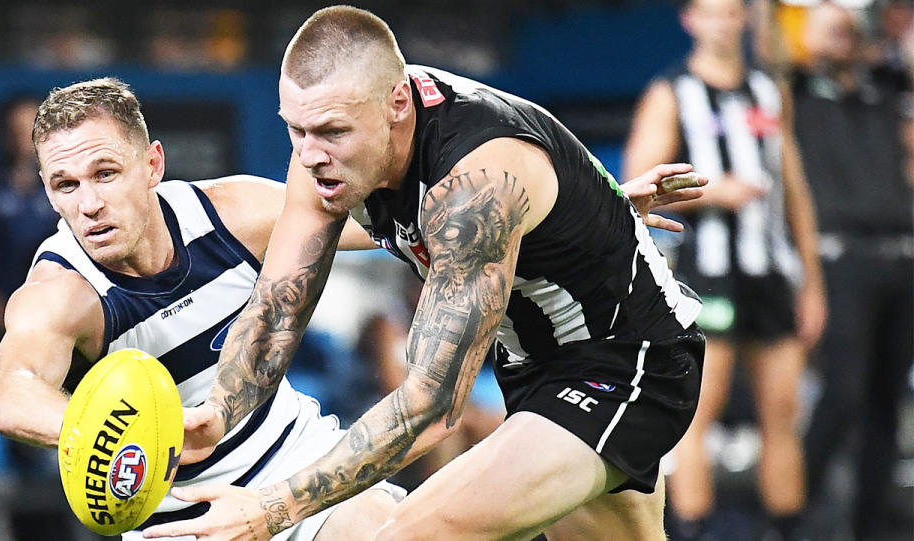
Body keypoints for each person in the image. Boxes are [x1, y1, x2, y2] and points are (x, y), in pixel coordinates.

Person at [145, 6, 709, 541]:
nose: (310, 153)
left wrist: (273, 508)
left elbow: (432, 405)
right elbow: (277, 306)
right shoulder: (330, 144)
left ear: (396, 102)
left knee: (412, 532)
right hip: (533, 360)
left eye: (331, 132)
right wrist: (219, 411)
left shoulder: (475, 177)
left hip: (625, 362)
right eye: (295, 129)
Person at [0, 77, 404, 541]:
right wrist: (106, 429)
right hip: (176, 525)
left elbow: (385, 221)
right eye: (66, 184)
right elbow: (13, 396)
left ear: (152, 164)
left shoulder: (231, 214)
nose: (88, 204)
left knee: (388, 531)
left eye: (105, 174)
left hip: (298, 470)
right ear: (47, 190)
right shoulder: (64, 290)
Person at [622, 0, 826, 539]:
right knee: (697, 416)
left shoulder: (768, 87)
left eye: (731, 12)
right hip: (708, 276)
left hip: (772, 274)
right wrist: (714, 193)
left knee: (783, 414)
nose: (721, 23)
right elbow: (637, 187)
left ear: (744, 20)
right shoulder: (672, 91)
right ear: (690, 21)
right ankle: (695, 531)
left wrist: (812, 280)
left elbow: (795, 190)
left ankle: (787, 529)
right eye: (710, 13)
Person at [791, 4, 914, 539]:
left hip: (902, 257)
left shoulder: (885, 91)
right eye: (831, 29)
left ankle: (871, 524)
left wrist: (873, 35)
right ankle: (790, 516)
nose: (842, 37)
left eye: (850, 29)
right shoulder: (793, 94)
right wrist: (822, 25)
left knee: (888, 400)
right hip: (840, 258)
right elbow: (773, 54)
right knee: (842, 393)